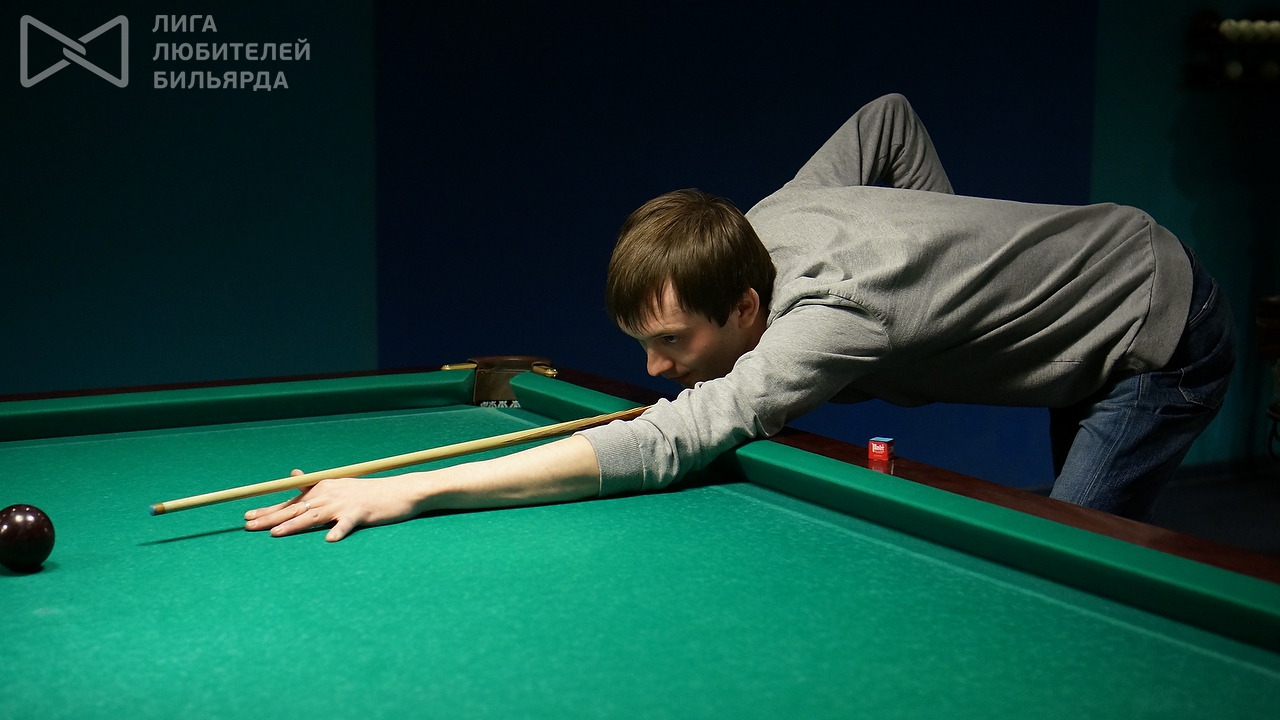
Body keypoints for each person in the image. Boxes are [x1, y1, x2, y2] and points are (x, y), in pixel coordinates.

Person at [246, 94, 1235, 542]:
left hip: (1156, 330)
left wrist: (410, 491)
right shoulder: (764, 222)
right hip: (1100, 287)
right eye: (644, 343)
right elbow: (887, 119)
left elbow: (664, 443)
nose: (658, 368)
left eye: (673, 343)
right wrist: (942, 258)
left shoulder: (826, 319)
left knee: (1067, 552)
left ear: (747, 305)